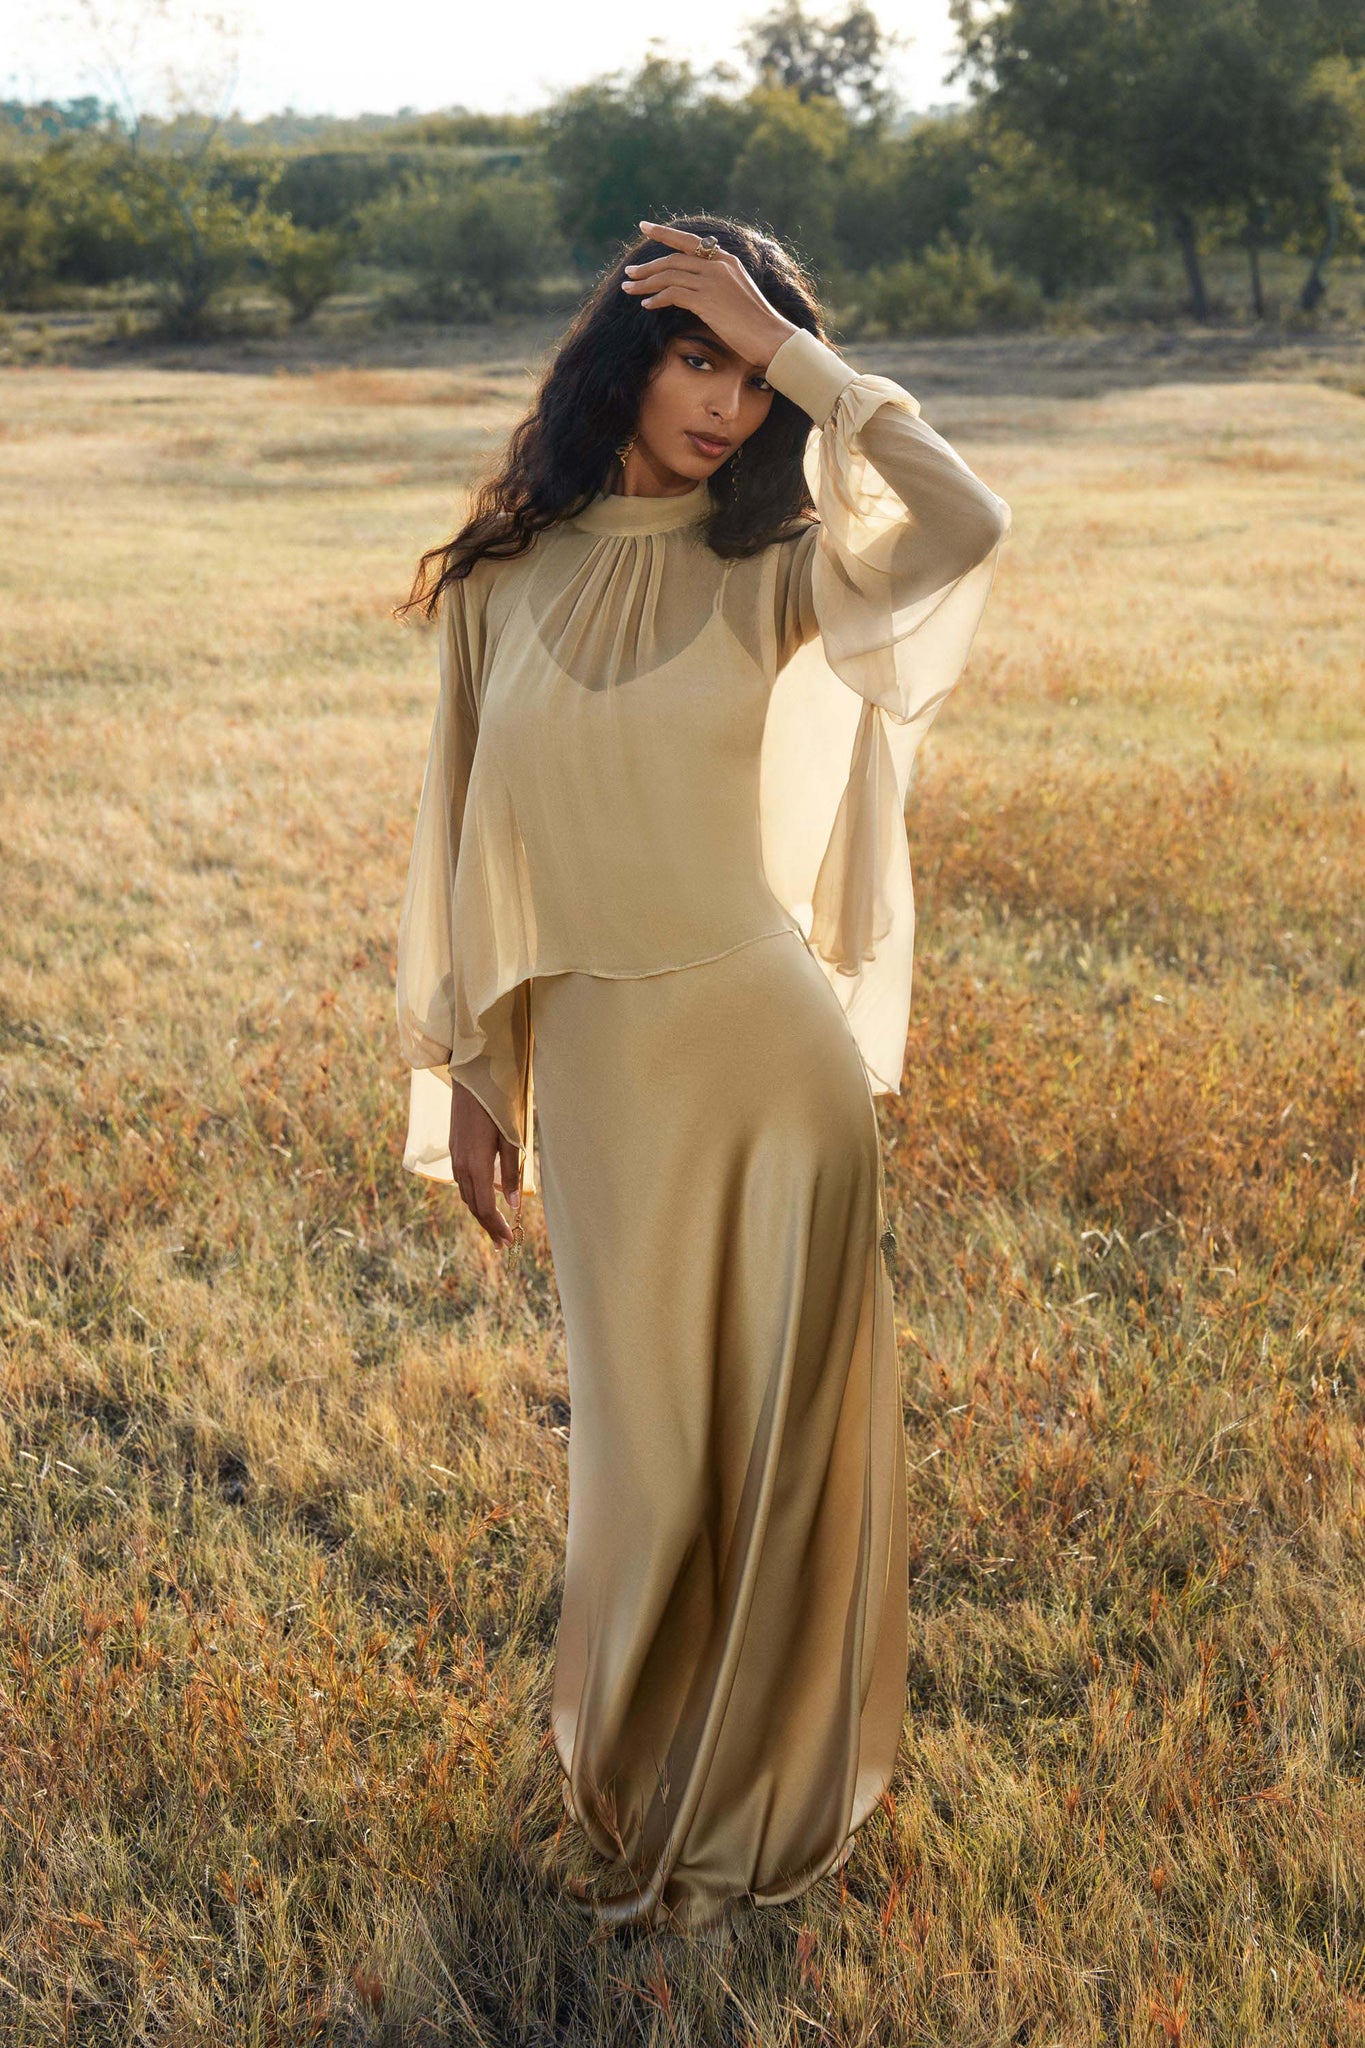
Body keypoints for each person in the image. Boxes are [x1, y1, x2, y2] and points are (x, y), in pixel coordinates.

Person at [393, 213, 1011, 1935]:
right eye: (697, 357)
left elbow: (972, 524)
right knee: (644, 1461)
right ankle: (632, 1773)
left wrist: (806, 360)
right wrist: (464, 1078)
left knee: (774, 1454)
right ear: (623, 355)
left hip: (764, 1055)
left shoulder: (786, 563)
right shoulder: (500, 576)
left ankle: (742, 1813)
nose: (730, 405)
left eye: (753, 372)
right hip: (594, 1067)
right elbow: (458, 840)